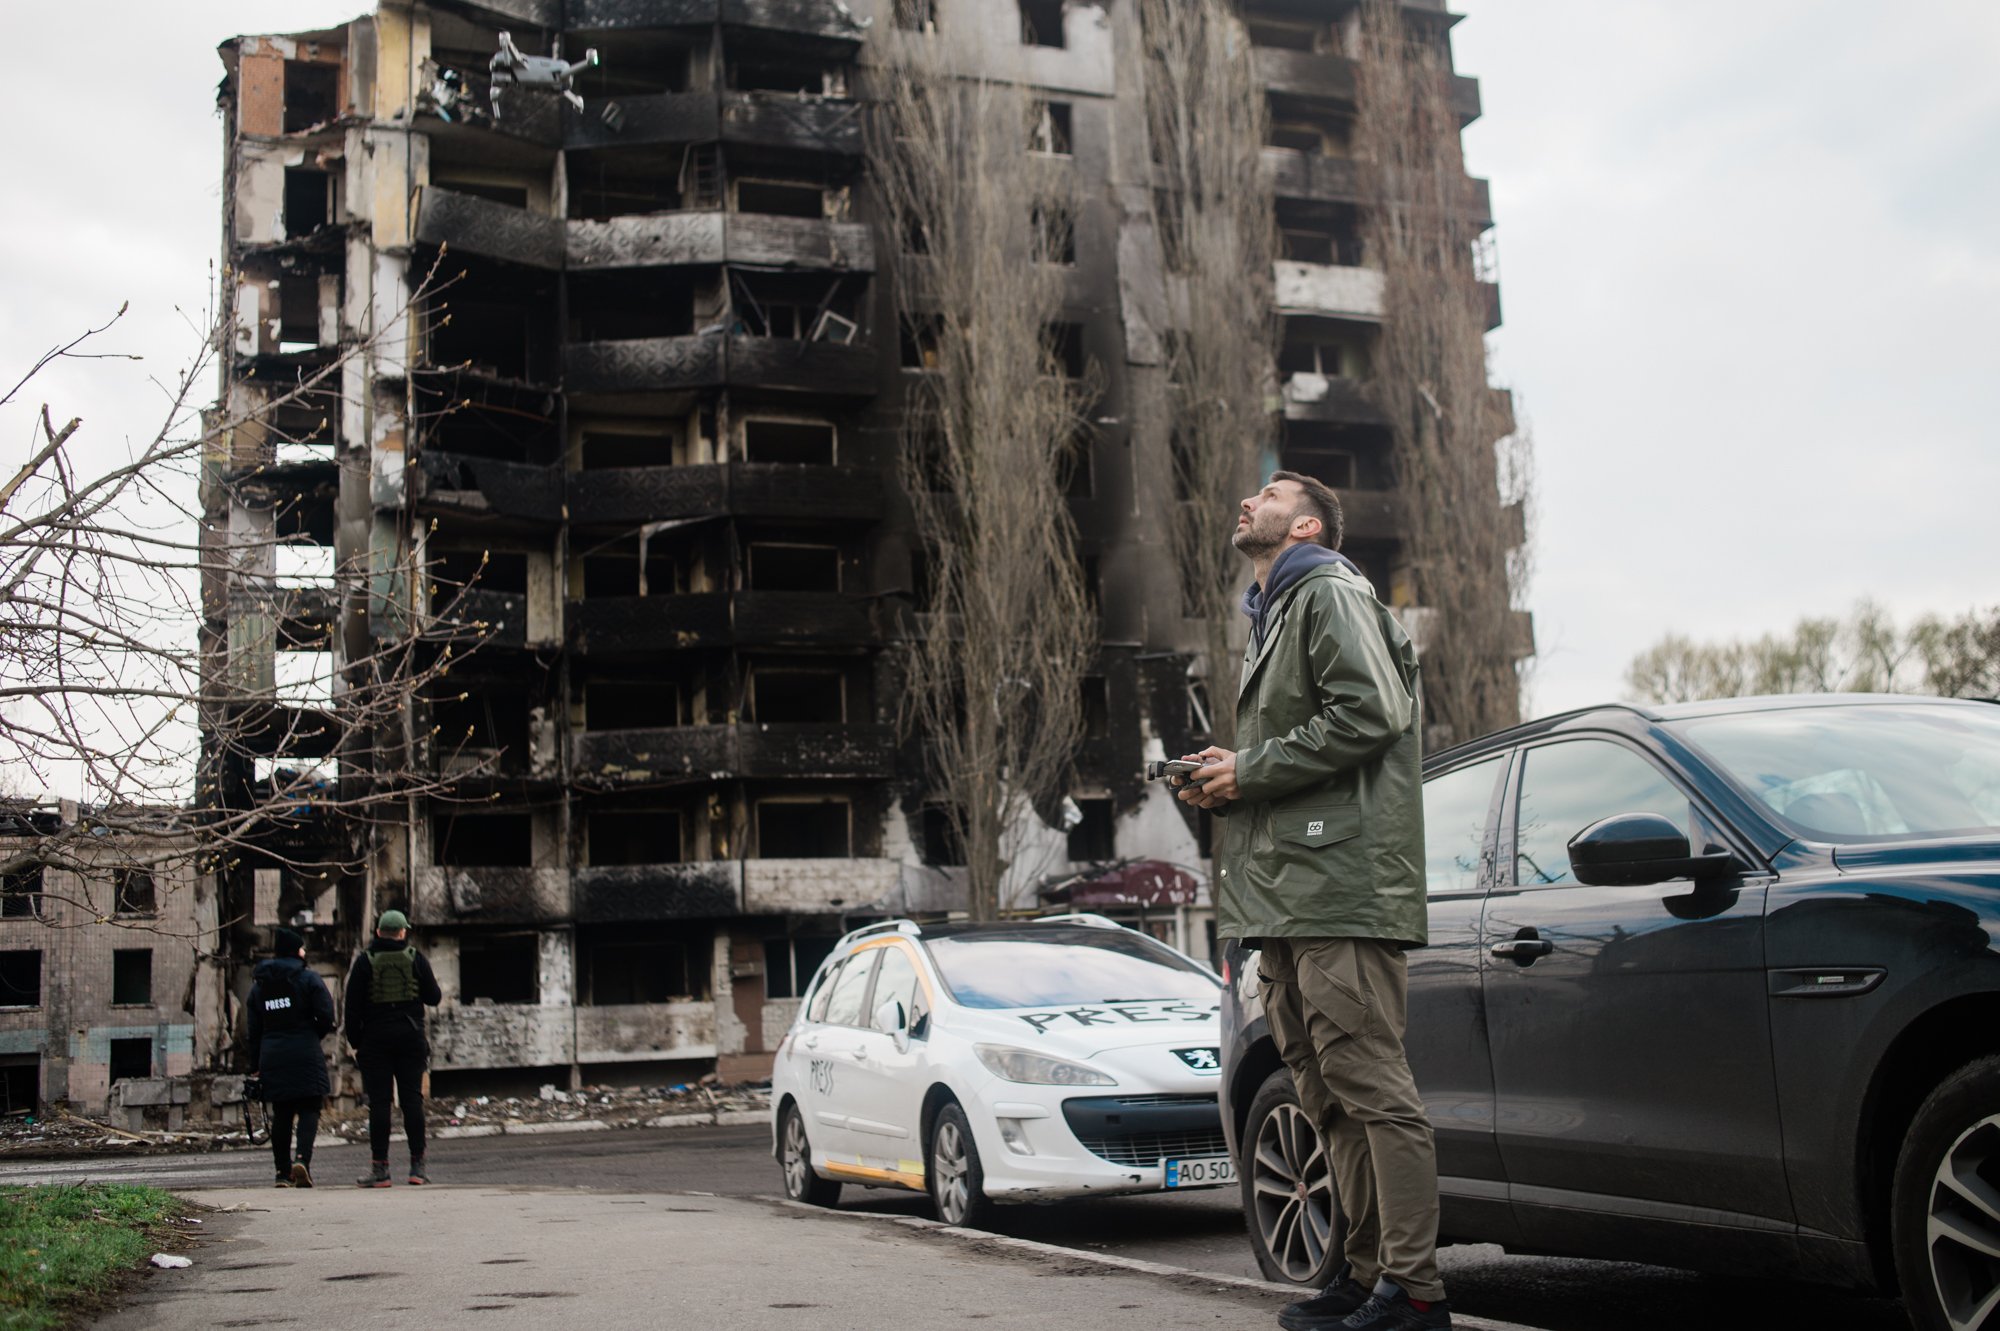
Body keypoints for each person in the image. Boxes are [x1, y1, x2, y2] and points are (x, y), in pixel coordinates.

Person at [1176, 472, 1446, 1331]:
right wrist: (1232, 773)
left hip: (1341, 888)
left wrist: (1250, 769)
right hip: (1292, 894)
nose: (1244, 501)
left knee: (1372, 1089)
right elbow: (1309, 743)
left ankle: (1414, 1292)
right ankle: (1363, 1277)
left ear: (1307, 522)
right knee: (1324, 1092)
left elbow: (1372, 712)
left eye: (1265, 493)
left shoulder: (1326, 588)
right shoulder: (1276, 613)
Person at [344, 908, 443, 1188]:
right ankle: (417, 1168)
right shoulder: (415, 959)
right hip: (410, 1038)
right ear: (402, 933)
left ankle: (380, 1169)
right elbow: (434, 997)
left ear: (378, 933)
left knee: (379, 1103)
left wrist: (356, 1043)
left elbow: (351, 1008)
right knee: (412, 1100)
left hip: (375, 1041)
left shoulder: (365, 961)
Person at [246, 926, 336, 1188]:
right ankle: (302, 1161)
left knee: (282, 1112)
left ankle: (281, 1172)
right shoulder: (309, 979)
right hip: (305, 1050)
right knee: (310, 1107)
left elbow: (253, 1030)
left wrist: (255, 1065)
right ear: (296, 951)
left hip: (272, 1055)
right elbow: (327, 1015)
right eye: (302, 947)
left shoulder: (259, 988)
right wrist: (312, 1034)